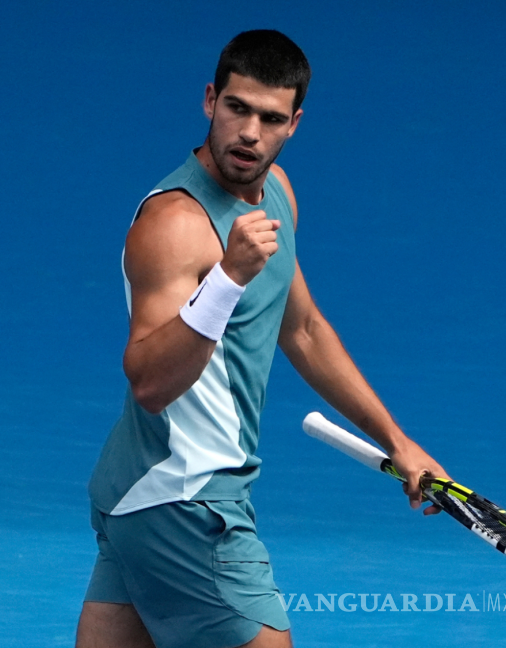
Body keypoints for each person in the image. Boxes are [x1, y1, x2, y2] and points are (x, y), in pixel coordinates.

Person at [76, 30, 448, 648]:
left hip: (140, 493)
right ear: (209, 101)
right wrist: (227, 278)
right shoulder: (174, 224)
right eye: (236, 108)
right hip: (186, 501)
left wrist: (397, 440)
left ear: (294, 123)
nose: (250, 132)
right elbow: (148, 382)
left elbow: (301, 329)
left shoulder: (278, 194)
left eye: (270, 118)